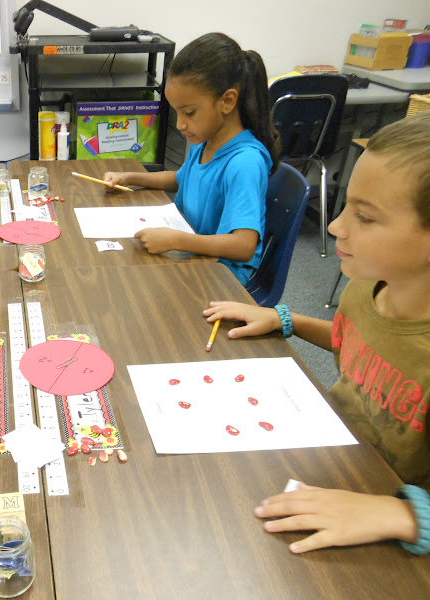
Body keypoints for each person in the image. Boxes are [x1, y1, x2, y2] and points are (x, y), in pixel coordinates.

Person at [203, 112, 430, 555]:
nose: (334, 227)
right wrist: (286, 320)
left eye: (365, 217)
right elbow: (359, 342)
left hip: (390, 521)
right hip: (339, 457)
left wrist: (403, 515)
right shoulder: (366, 287)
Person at [103, 32, 279, 285]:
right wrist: (130, 177)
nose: (180, 124)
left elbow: (244, 246)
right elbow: (182, 178)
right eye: (177, 113)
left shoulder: (245, 163)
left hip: (222, 276)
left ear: (227, 101)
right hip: (193, 254)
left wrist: (176, 240)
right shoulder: (206, 140)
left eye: (189, 112)